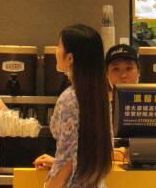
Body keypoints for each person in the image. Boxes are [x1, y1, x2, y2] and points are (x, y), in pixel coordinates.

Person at [34, 25, 112, 188]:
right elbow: (84, 151)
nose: (56, 51)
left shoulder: (70, 98)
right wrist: (56, 162)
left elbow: (68, 158)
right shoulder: (100, 96)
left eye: (59, 46)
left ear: (70, 58)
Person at [105, 43, 139, 165]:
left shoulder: (149, 104)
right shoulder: (97, 106)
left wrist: (128, 152)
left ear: (138, 71)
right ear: (106, 73)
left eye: (129, 68)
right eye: (116, 69)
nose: (123, 75)